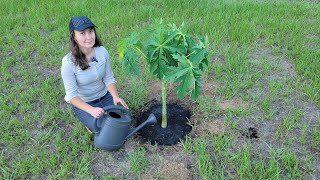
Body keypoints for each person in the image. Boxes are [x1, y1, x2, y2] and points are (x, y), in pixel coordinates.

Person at [61, 16, 128, 134]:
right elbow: (72, 96)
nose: (89, 37)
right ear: (74, 37)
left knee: (123, 121)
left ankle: (99, 117)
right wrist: (91, 110)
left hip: (104, 96)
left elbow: (108, 78)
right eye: (82, 33)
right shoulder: (68, 63)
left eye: (91, 31)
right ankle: (89, 122)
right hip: (85, 102)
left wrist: (115, 96)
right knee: (104, 130)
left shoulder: (102, 51)